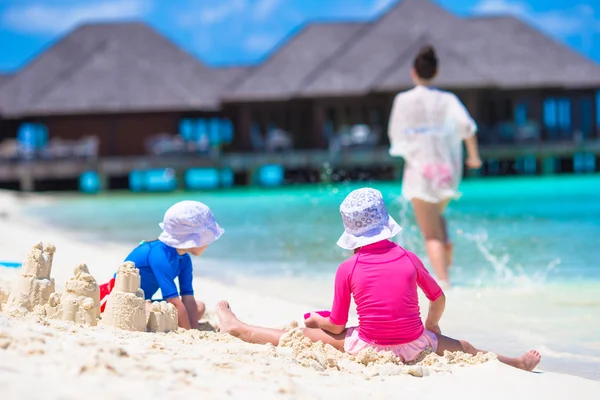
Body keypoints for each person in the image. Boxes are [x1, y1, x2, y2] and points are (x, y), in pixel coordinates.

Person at [215, 188, 541, 371]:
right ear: (385, 222)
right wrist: (433, 325)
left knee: (298, 334)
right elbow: (438, 297)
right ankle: (514, 362)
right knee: (468, 348)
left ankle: (239, 328)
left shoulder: (349, 268)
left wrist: (316, 320)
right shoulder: (408, 257)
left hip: (369, 345)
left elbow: (338, 324)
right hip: (415, 344)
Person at [387, 45, 482, 286]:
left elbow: (396, 136)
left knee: (430, 235)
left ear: (413, 72)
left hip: (421, 173)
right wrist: (474, 157)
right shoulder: (448, 99)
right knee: (437, 222)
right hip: (448, 172)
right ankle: (446, 256)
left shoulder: (404, 100)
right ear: (436, 73)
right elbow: (468, 128)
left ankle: (444, 282)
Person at [100, 200, 224, 329]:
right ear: (192, 237)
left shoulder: (184, 258)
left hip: (143, 301)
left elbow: (188, 297)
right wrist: (189, 332)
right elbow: (174, 301)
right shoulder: (160, 255)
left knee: (199, 307)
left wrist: (193, 328)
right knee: (156, 310)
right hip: (115, 299)